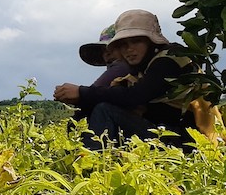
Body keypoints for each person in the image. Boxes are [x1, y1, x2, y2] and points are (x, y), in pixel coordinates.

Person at [53, 9, 199, 149]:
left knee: (105, 110)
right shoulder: (140, 69)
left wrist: (81, 92)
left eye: (136, 41)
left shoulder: (170, 58)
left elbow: (136, 96)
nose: (129, 49)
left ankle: (92, 165)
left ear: (152, 42)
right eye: (123, 45)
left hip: (183, 141)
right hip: (161, 136)